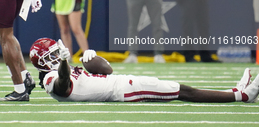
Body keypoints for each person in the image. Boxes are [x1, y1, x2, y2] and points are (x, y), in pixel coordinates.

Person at [30, 38, 259, 103]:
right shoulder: (51, 79)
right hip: (124, 91)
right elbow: (62, 85)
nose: (55, 57)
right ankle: (241, 95)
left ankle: (235, 92)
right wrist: (62, 64)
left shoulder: (62, 69)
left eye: (55, 53)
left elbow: (107, 70)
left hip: (122, 83)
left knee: (179, 90)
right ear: (42, 63)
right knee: (182, 91)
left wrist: (93, 59)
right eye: (50, 56)